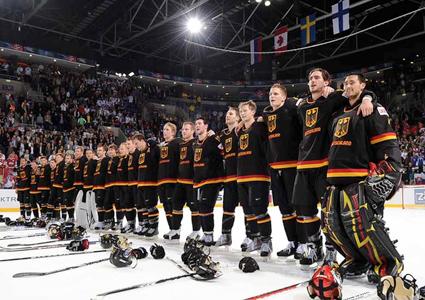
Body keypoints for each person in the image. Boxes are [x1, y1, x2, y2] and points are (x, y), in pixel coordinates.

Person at [323, 73, 403, 284]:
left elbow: (387, 143)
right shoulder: (338, 114)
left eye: (352, 82)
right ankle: (357, 259)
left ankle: (389, 263)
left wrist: (392, 172)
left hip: (359, 178)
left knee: (363, 224)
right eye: (345, 83)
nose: (348, 86)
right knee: (333, 225)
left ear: (363, 86)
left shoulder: (371, 109)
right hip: (335, 179)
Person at [293, 68, 375, 266]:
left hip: (325, 165)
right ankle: (314, 247)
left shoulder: (334, 99)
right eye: (310, 78)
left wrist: (367, 99)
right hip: (303, 164)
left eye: (316, 78)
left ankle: (331, 250)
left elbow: (358, 91)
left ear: (326, 82)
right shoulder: (302, 105)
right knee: (305, 210)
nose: (312, 81)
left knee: (328, 213)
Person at [262, 84, 302, 258]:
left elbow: (303, 104)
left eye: (276, 94)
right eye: (270, 94)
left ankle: (303, 243)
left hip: (292, 165)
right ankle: (292, 242)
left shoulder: (292, 107)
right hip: (275, 168)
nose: (272, 96)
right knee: (284, 209)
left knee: (298, 207)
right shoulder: (267, 113)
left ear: (284, 97)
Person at [237, 100, 272, 258]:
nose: (242, 113)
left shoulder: (260, 126)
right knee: (248, 211)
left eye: (245, 110)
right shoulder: (240, 130)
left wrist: (262, 118)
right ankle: (255, 238)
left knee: (259, 210)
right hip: (242, 176)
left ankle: (266, 240)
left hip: (259, 174)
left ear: (253, 112)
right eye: (241, 111)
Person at [216, 107, 245, 247]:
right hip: (228, 177)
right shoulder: (222, 134)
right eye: (227, 113)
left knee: (248, 209)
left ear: (238, 118)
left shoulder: (242, 130)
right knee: (227, 208)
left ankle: (251, 237)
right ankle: (226, 235)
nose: (227, 116)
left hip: (242, 176)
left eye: (231, 114)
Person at [193, 117, 224, 246]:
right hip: (199, 180)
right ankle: (207, 234)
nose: (197, 126)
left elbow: (224, 150)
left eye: (200, 123)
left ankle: (209, 236)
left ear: (206, 126)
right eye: (196, 124)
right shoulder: (195, 143)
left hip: (212, 179)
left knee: (206, 207)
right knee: (201, 208)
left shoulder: (213, 139)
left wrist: (217, 136)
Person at [169, 122, 201, 242]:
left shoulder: (195, 143)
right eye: (182, 129)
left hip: (191, 182)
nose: (184, 131)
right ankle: (176, 230)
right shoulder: (180, 144)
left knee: (194, 208)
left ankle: (196, 231)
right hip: (180, 181)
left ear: (193, 131)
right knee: (176, 206)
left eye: (186, 129)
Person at [134, 133, 160, 238]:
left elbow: (157, 156)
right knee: (143, 206)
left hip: (151, 183)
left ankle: (154, 227)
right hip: (141, 183)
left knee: (151, 206)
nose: (136, 146)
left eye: (137, 143)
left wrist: (153, 145)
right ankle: (147, 224)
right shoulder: (140, 153)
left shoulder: (152, 150)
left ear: (142, 141)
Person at [157, 122, 181, 239]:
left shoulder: (177, 143)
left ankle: (176, 229)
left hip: (172, 179)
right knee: (166, 206)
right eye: (164, 129)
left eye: (167, 129)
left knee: (172, 205)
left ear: (173, 132)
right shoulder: (161, 146)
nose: (164, 131)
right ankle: (171, 228)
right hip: (162, 180)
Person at [120, 139, 140, 233]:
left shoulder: (137, 154)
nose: (127, 145)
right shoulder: (129, 157)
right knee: (127, 204)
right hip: (129, 183)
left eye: (129, 144)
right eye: (126, 144)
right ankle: (130, 223)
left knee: (139, 205)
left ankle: (141, 224)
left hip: (136, 183)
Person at [93, 144, 109, 229]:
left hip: (102, 186)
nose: (98, 152)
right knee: (99, 204)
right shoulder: (99, 161)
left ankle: (103, 220)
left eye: (100, 150)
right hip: (97, 185)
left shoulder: (106, 160)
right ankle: (101, 220)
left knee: (102, 203)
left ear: (104, 152)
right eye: (97, 150)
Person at [104, 144, 119, 230]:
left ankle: (118, 222)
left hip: (115, 183)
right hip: (108, 184)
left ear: (116, 151)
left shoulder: (117, 159)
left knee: (117, 204)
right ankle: (110, 220)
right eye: (109, 150)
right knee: (107, 203)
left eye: (112, 150)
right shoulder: (109, 160)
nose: (110, 152)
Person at [115, 143, 129, 231]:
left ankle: (129, 222)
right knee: (119, 204)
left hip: (126, 184)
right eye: (120, 149)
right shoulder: (119, 159)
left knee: (126, 204)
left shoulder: (128, 159)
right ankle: (120, 222)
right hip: (118, 184)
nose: (120, 150)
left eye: (122, 149)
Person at [62, 154, 75, 222]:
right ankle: (70, 217)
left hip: (71, 187)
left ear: (72, 159)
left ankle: (72, 217)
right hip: (65, 187)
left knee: (70, 203)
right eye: (66, 158)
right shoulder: (65, 167)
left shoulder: (73, 166)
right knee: (67, 203)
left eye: (68, 158)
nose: (66, 159)